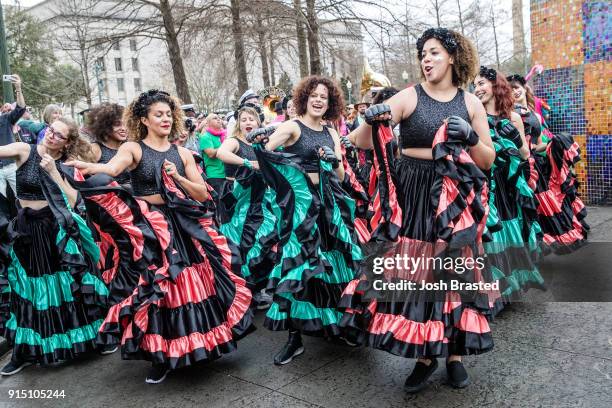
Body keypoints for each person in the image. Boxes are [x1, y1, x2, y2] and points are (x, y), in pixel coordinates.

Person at [342, 27, 496, 393]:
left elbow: (487, 160)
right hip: (413, 194)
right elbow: (357, 141)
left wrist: (472, 137)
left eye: (434, 53)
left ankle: (455, 354)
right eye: (423, 54)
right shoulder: (410, 96)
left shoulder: (471, 103)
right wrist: (372, 117)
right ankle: (426, 355)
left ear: (453, 57)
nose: (426, 60)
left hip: (455, 196)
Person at [67, 89, 253, 384]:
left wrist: (177, 178)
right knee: (159, 288)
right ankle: (161, 356)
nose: (165, 118)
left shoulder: (181, 153)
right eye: (158, 114)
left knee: (191, 284)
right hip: (152, 230)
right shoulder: (133, 148)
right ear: (144, 119)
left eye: (168, 114)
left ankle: (198, 346)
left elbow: (203, 192)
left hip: (184, 226)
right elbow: (111, 169)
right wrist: (91, 168)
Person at [249, 75, 363, 365]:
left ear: (331, 102)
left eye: (324, 96)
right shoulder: (292, 126)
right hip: (301, 211)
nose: (318, 99)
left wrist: (333, 160)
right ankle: (294, 338)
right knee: (297, 268)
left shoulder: (332, 133)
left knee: (333, 266)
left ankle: (336, 325)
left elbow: (340, 175)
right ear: (304, 98)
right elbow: (263, 155)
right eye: (313, 94)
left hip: (329, 207)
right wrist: (261, 142)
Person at [0, 117, 108, 376]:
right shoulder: (25, 150)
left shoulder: (65, 165)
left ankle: (90, 340)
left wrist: (53, 173)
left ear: (67, 142)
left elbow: (73, 199)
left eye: (59, 135)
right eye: (50, 130)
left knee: (64, 286)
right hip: (26, 231)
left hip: (53, 230)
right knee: (26, 288)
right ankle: (24, 351)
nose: (51, 136)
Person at [473, 66, 544, 307]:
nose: (478, 88)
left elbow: (525, 154)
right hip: (484, 183)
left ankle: (509, 288)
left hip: (508, 184)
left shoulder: (513, 117)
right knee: (488, 235)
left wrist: (514, 138)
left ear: (496, 86)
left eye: (481, 83)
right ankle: (494, 292)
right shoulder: (474, 117)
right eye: (475, 85)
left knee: (506, 230)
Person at [507, 74, 588, 253]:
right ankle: (533, 248)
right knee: (532, 205)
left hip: (540, 163)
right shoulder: (509, 114)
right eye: (511, 88)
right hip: (526, 166)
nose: (515, 90)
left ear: (524, 87)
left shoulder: (535, 113)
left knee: (550, 202)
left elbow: (541, 140)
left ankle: (549, 242)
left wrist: (553, 145)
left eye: (517, 86)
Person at [216, 106, 277, 310]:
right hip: (238, 201)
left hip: (261, 200)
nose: (248, 122)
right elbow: (221, 153)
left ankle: (257, 288)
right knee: (242, 243)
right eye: (243, 119)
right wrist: (248, 163)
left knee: (264, 238)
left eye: (251, 119)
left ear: (259, 123)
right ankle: (243, 291)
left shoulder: (262, 144)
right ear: (238, 123)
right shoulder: (235, 141)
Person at [0, 75, 26, 217]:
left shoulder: (5, 119)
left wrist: (18, 88)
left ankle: (27, 228)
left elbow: (21, 108)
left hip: (11, 166)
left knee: (22, 198)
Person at [88, 103, 130, 185]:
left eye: (126, 124)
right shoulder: (95, 149)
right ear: (105, 126)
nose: (123, 128)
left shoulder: (130, 147)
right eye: (117, 124)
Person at [199, 113, 227, 195]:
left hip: (228, 175)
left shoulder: (224, 135)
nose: (218, 119)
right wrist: (226, 145)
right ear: (207, 123)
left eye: (219, 118)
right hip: (215, 175)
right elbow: (211, 154)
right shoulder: (206, 137)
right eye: (215, 118)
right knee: (220, 205)